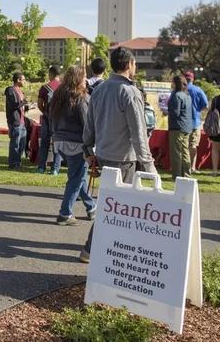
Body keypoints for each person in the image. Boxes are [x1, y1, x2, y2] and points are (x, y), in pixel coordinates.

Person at [81, 48, 156, 262]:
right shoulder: (130, 92)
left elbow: (90, 125)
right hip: (124, 160)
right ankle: (96, 249)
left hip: (104, 155)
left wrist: (88, 151)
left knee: (112, 205)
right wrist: (149, 165)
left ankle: (100, 248)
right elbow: (139, 133)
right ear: (130, 64)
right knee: (118, 207)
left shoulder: (100, 90)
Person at [50, 66, 96, 225]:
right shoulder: (81, 98)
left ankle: (91, 207)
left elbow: (52, 119)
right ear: (78, 80)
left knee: (79, 177)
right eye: (84, 78)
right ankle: (65, 213)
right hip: (77, 143)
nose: (86, 81)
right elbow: (87, 125)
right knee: (76, 179)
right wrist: (91, 148)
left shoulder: (58, 95)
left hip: (60, 142)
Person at [36, 66, 62, 175]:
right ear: (59, 75)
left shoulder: (44, 88)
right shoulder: (63, 87)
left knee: (45, 144)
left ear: (50, 74)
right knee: (57, 144)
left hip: (47, 119)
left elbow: (39, 104)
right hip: (60, 120)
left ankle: (41, 167)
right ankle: (55, 169)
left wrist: (45, 112)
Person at [168, 75, 193, 179]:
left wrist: (166, 111)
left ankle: (177, 174)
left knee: (176, 152)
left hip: (177, 127)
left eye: (172, 82)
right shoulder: (187, 95)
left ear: (175, 83)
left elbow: (175, 113)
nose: (171, 84)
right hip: (186, 126)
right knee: (185, 151)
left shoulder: (176, 95)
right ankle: (186, 173)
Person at [5, 72, 31, 169]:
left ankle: (18, 162)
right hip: (15, 121)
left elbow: (21, 106)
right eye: (23, 80)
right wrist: (23, 102)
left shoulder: (20, 91)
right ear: (18, 80)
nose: (25, 81)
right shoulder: (10, 90)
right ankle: (13, 163)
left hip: (22, 121)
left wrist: (28, 106)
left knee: (22, 143)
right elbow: (13, 105)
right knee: (15, 143)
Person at [183, 71, 208, 172]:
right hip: (195, 121)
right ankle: (192, 167)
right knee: (193, 145)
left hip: (182, 122)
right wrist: (197, 110)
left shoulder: (179, 90)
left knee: (183, 145)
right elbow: (206, 105)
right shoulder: (198, 90)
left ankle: (184, 166)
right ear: (193, 79)